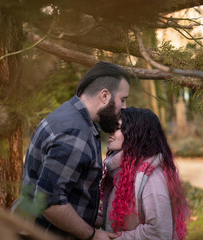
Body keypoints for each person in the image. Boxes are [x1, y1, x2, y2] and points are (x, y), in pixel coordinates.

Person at [12, 61, 130, 240]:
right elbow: (50, 202)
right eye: (122, 99)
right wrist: (92, 234)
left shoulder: (68, 115)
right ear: (105, 96)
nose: (124, 107)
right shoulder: (76, 132)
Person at [99, 107, 190, 240]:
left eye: (118, 128)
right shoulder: (122, 171)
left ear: (136, 133)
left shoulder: (152, 178)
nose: (111, 132)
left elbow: (158, 232)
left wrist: (115, 238)